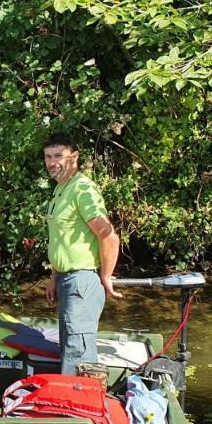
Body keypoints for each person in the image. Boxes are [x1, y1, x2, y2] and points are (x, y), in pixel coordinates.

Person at [42, 133, 121, 376]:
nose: (52, 162)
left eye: (59, 156)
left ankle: (80, 410)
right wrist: (54, 276)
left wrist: (106, 276)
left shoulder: (82, 189)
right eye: (48, 156)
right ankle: (70, 405)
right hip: (67, 280)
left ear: (74, 157)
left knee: (79, 353)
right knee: (69, 347)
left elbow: (108, 235)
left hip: (82, 281)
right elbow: (62, 240)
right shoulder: (60, 190)